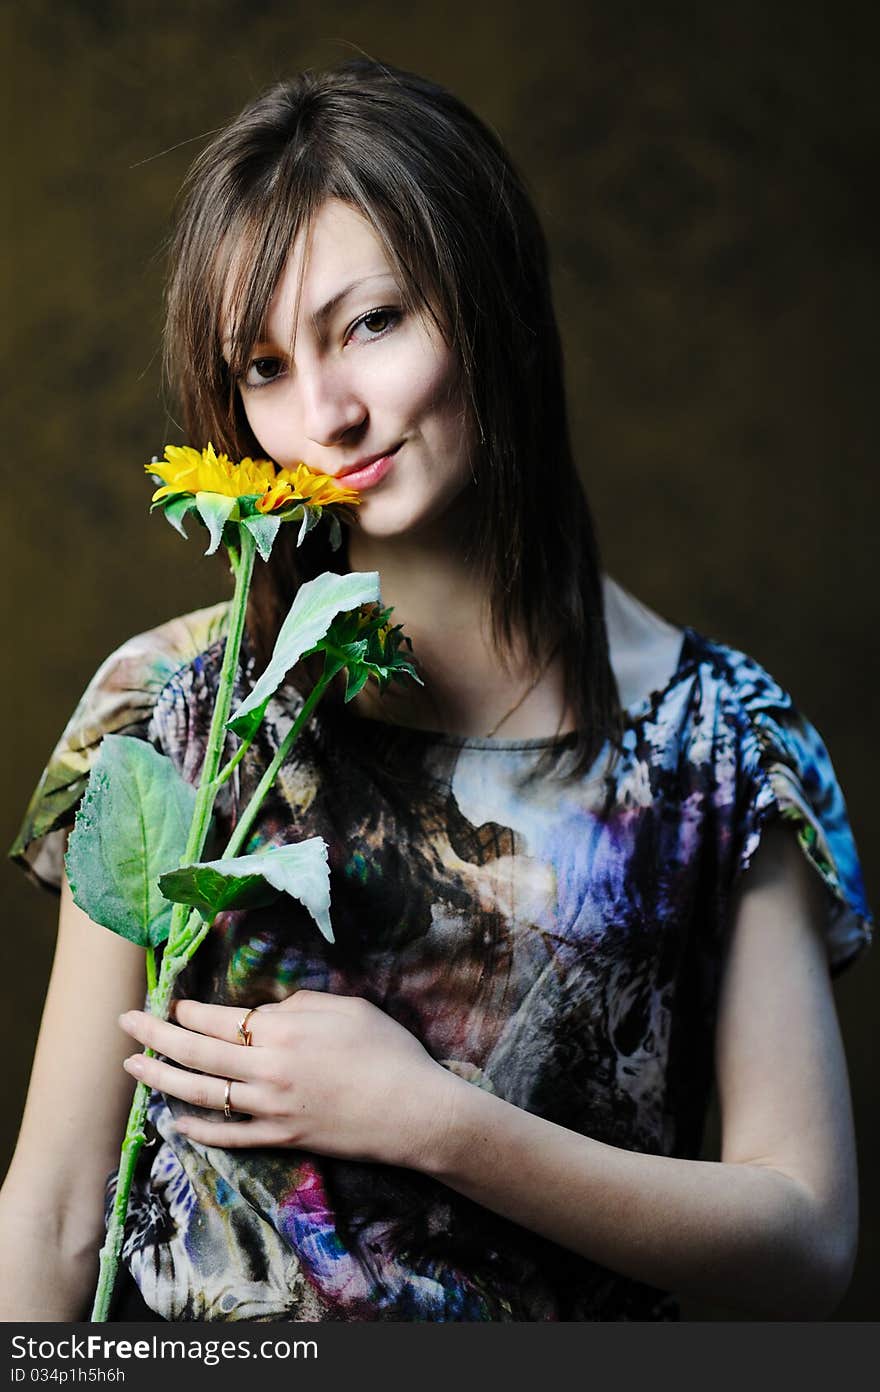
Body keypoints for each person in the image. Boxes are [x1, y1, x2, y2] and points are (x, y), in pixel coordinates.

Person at [1, 59, 872, 1323]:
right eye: (262, 366)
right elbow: (58, 1205)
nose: (328, 414)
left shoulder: (719, 746)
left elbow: (805, 1243)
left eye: (372, 323)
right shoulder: (177, 708)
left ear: (491, 301)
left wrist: (434, 1120)